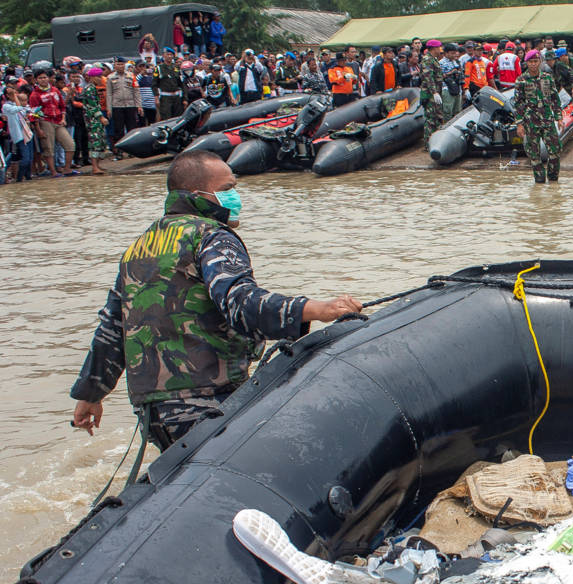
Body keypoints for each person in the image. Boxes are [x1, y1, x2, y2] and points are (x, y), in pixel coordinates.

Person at [70, 150, 361, 450]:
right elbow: (240, 301)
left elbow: (111, 329)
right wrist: (316, 309)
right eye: (226, 189)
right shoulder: (210, 235)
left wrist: (91, 396)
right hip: (207, 401)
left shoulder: (139, 247)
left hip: (153, 413)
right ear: (200, 194)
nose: (235, 196)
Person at [512, 51, 562, 184]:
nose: (533, 64)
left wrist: (559, 117)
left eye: (535, 61)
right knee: (534, 155)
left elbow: (555, 98)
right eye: (530, 62)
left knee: (555, 151)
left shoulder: (547, 78)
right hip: (530, 122)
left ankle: (553, 180)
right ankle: (539, 181)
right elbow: (518, 104)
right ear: (526, 63)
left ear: (540, 62)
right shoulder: (521, 80)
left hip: (547, 120)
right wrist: (519, 124)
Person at [28, 69, 78, 176]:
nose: (43, 80)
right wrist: (38, 129)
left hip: (58, 120)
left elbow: (62, 106)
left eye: (45, 77)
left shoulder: (55, 90)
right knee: (48, 148)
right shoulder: (34, 95)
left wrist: (63, 118)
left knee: (70, 144)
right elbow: (34, 114)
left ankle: (67, 168)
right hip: (45, 121)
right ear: (36, 80)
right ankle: (53, 172)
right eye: (40, 78)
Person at [2, 83, 36, 181]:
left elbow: (25, 111)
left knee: (30, 158)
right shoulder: (6, 106)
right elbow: (19, 108)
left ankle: (28, 177)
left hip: (27, 134)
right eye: (11, 93)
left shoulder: (19, 104)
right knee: (25, 159)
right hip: (19, 136)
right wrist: (15, 97)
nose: (14, 94)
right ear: (7, 96)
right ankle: (19, 178)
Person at [420, 40, 445, 151]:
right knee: (431, 119)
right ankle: (428, 143)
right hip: (430, 94)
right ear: (433, 48)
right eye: (439, 47)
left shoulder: (434, 59)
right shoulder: (427, 60)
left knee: (438, 117)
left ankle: (435, 142)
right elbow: (428, 77)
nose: (440, 49)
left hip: (436, 93)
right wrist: (434, 92)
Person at [154, 49, 185, 119]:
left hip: (177, 98)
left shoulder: (176, 68)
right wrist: (156, 97)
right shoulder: (159, 68)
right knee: (166, 118)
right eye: (167, 54)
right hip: (165, 98)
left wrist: (184, 98)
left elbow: (182, 84)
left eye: (171, 55)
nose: (169, 56)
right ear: (163, 56)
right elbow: (154, 84)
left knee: (177, 118)